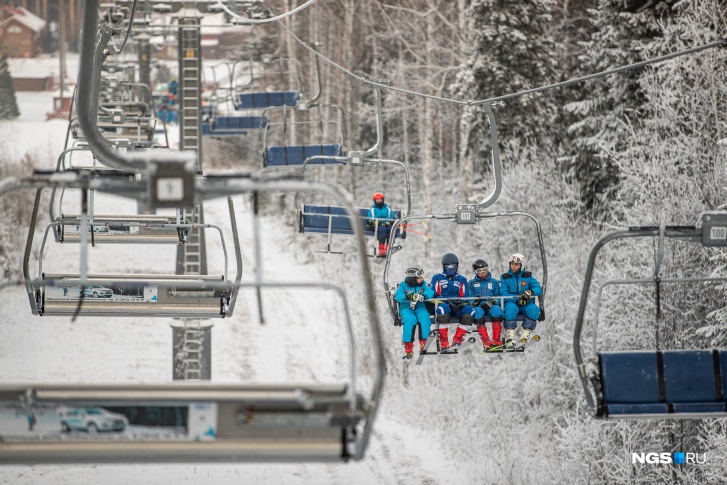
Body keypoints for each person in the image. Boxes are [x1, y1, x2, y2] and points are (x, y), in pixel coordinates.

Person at [430, 253, 474, 349]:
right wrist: (446, 302)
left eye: (453, 267)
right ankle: (444, 340)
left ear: (457, 266)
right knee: (443, 309)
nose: (451, 269)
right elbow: (433, 295)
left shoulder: (462, 279)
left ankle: (457, 338)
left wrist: (460, 303)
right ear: (444, 267)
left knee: (470, 310)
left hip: (457, 306)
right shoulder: (437, 278)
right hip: (443, 305)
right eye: (448, 267)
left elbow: (465, 295)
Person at [500, 253, 543, 348]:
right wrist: (519, 299)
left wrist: (530, 292)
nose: (513, 267)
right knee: (511, 308)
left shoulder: (528, 276)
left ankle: (525, 334)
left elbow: (538, 289)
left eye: (516, 264)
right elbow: (503, 293)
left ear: (521, 265)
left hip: (525, 304)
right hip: (512, 303)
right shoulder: (505, 277)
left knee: (534, 309)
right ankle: (510, 335)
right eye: (512, 264)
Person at [395, 267, 436, 359]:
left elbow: (430, 292)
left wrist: (423, 296)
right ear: (412, 278)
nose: (421, 279)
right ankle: (408, 345)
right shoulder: (403, 285)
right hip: (406, 306)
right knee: (410, 319)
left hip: (420, 306)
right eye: (419, 277)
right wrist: (408, 296)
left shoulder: (423, 285)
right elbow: (398, 295)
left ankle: (424, 342)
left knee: (424, 316)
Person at [468, 259, 505, 351]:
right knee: (477, 312)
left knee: (497, 310)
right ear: (475, 272)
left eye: (484, 270)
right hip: (479, 306)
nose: (483, 273)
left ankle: (496, 339)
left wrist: (492, 302)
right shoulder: (472, 283)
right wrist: (473, 302)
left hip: (491, 304)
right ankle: (486, 340)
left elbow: (499, 296)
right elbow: (468, 296)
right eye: (479, 271)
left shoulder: (494, 282)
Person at [367, 193, 397, 257]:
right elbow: (370, 219)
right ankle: (381, 248)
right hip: (377, 225)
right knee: (382, 229)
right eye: (377, 201)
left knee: (391, 229)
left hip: (387, 224)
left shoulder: (387, 209)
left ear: (383, 200)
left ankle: (388, 246)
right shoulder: (373, 210)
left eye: (380, 200)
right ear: (375, 201)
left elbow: (391, 217)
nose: (379, 202)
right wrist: (378, 222)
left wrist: (389, 222)